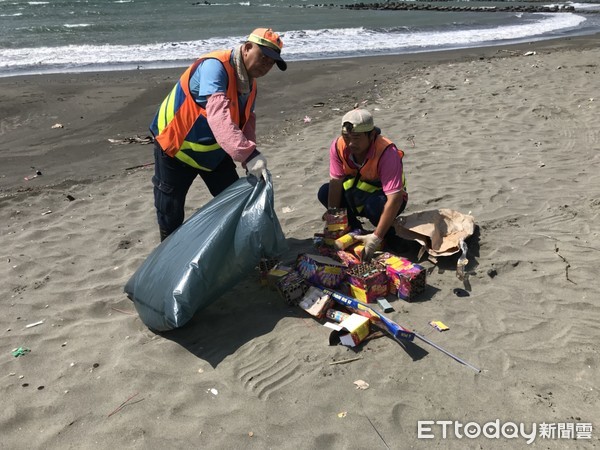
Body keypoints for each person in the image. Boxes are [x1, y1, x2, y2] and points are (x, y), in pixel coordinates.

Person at [149, 28, 287, 241]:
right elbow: (218, 114)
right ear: (248, 48)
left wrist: (251, 156)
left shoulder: (250, 85)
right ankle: (167, 259)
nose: (266, 66)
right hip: (175, 148)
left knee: (235, 200)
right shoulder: (215, 66)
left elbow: (246, 119)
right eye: (264, 57)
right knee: (170, 212)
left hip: (212, 153)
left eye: (271, 63)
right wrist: (248, 154)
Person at [317, 108, 408, 261]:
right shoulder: (338, 146)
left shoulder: (387, 152)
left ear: (371, 135)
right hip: (356, 193)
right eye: (346, 137)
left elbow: (395, 198)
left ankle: (388, 234)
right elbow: (336, 182)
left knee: (374, 207)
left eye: (357, 137)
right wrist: (334, 216)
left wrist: (376, 238)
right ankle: (355, 228)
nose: (350, 143)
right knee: (324, 192)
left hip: (384, 199)